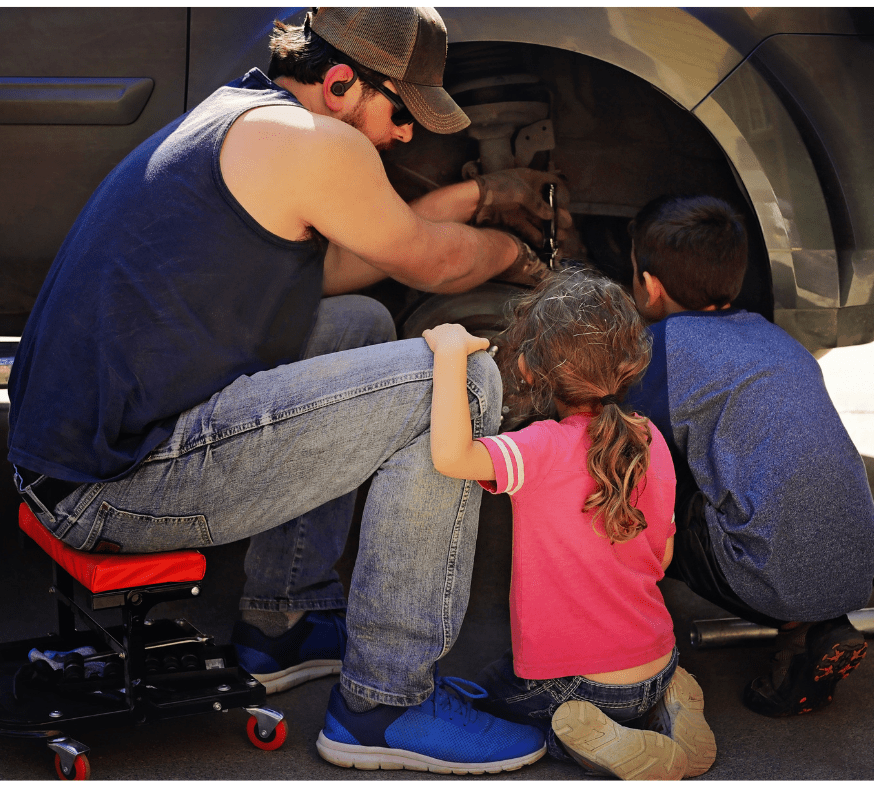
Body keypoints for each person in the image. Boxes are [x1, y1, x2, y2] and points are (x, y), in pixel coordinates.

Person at [6, 7, 579, 774]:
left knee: (359, 322)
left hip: (77, 459)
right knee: (460, 376)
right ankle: (385, 704)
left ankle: (288, 616)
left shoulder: (246, 118)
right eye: (401, 110)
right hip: (110, 489)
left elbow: (344, 266)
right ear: (340, 83)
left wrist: (478, 198)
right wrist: (523, 254)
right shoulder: (319, 143)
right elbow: (430, 264)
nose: (408, 135)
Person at [420, 268, 717, 780]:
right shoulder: (649, 439)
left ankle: (594, 741)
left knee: (491, 697)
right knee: (517, 676)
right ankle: (664, 705)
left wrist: (448, 354)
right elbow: (663, 558)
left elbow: (451, 455)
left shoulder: (539, 448)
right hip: (655, 658)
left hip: (576, 684)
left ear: (531, 371)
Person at [624, 195, 874, 718]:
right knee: (746, 468)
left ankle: (626, 640)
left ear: (651, 286)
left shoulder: (662, 348)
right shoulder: (777, 339)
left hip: (765, 577)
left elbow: (625, 446)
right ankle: (817, 625)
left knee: (631, 484)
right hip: (860, 562)